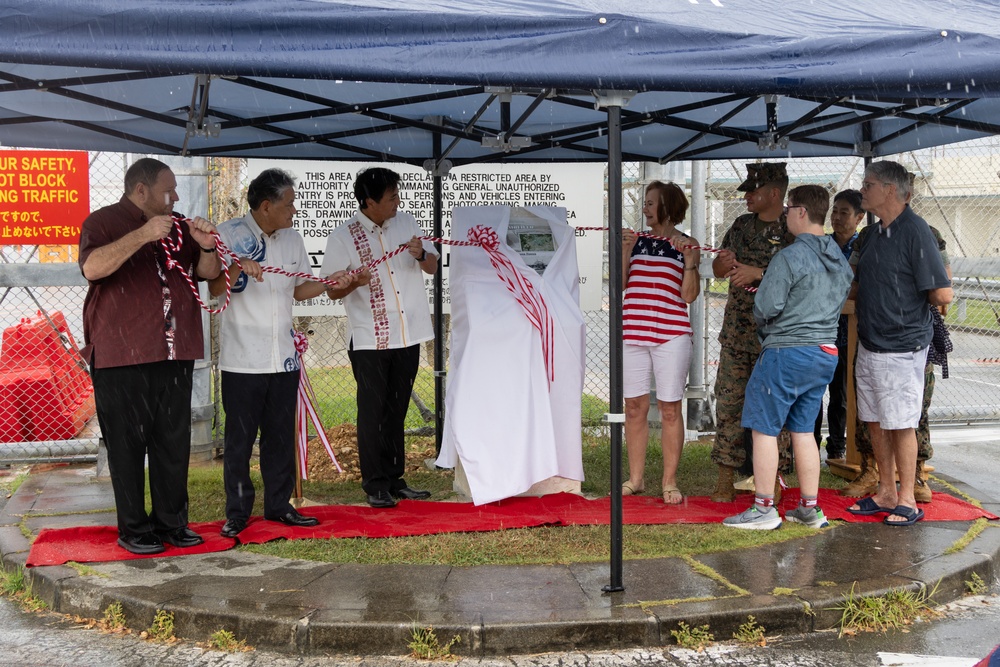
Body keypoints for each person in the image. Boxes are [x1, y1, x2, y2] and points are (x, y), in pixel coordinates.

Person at [79, 158, 222, 555]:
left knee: (172, 442)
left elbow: (207, 274)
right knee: (126, 446)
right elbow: (92, 268)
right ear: (141, 191)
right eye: (168, 189)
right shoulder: (103, 222)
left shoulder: (178, 227)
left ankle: (173, 524)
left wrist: (207, 245)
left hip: (175, 351)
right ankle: (134, 529)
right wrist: (141, 235)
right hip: (122, 354)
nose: (175, 197)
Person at [209, 169, 352, 538]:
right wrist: (237, 266)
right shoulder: (227, 236)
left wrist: (328, 283)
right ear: (266, 205)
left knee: (279, 437)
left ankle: (279, 506)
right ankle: (238, 511)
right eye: (288, 204)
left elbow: (298, 290)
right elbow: (213, 289)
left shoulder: (292, 240)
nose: (294, 211)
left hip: (282, 357)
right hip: (242, 359)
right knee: (240, 441)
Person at [723, 185, 853, 530]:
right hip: (825, 352)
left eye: (788, 210)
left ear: (799, 212)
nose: (785, 216)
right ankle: (810, 507)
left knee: (764, 428)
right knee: (803, 430)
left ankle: (764, 508)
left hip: (786, 352)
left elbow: (766, 307)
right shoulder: (838, 257)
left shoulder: (789, 257)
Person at [320, 167, 439, 508]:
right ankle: (374, 484)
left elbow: (432, 266)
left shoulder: (407, 223)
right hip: (369, 338)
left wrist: (420, 254)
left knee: (397, 409)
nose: (397, 202)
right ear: (369, 201)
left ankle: (395, 477)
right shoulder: (343, 237)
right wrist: (353, 282)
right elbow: (331, 290)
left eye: (397, 195)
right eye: (390, 198)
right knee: (372, 412)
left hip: (409, 333)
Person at [846, 160, 952, 526]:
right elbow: (858, 284)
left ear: (890, 190)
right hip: (871, 341)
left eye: (868, 183)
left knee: (901, 423)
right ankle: (886, 491)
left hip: (903, 345)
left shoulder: (916, 231)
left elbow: (942, 292)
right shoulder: (872, 234)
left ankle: (907, 497)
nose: (863, 189)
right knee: (875, 420)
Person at [710, 162, 794, 503]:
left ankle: (774, 478)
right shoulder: (741, 225)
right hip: (736, 335)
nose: (745, 196)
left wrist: (759, 273)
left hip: (775, 338)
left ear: (774, 193)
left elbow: (800, 276)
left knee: (775, 407)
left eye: (752, 191)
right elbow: (717, 270)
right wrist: (723, 262)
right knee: (729, 404)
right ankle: (725, 478)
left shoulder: (793, 228)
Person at [620, 181, 701, 504]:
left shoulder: (686, 244)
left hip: (671, 334)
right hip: (633, 333)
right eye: (645, 202)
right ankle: (636, 479)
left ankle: (669, 481)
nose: (645, 208)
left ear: (668, 206)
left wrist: (691, 261)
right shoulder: (637, 240)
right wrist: (626, 249)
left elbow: (689, 296)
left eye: (651, 203)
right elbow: (619, 285)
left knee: (670, 409)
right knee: (634, 407)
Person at [813, 189, 865, 462]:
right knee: (814, 392)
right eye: (835, 211)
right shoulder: (822, 244)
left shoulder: (863, 246)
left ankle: (836, 448)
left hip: (849, 336)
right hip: (820, 331)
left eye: (845, 213)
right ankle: (810, 445)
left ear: (859, 217)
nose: (837, 217)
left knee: (842, 395)